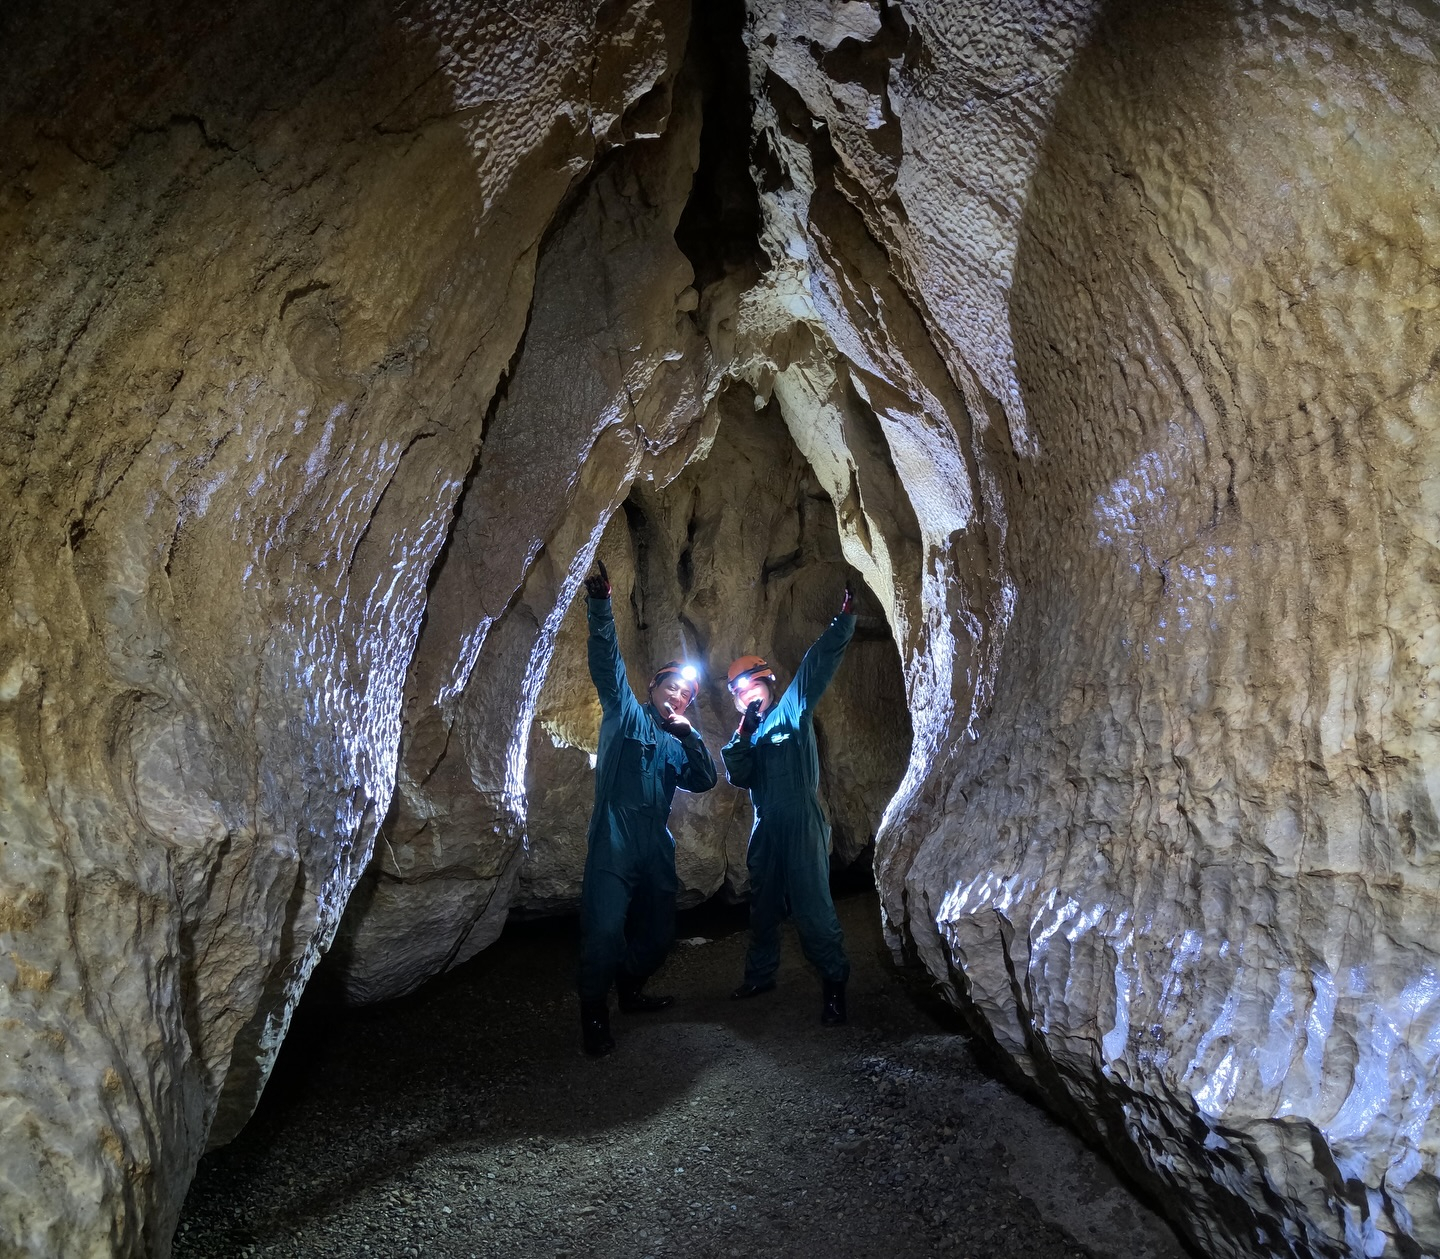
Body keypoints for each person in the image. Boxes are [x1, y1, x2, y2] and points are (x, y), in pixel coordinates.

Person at [577, 557, 718, 1057]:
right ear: (654, 689)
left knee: (659, 934)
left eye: (686, 693)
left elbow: (705, 781)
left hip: (655, 844)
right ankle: (594, 1011)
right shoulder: (625, 714)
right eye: (671, 687)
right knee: (604, 930)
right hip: (613, 839)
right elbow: (607, 662)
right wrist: (600, 604)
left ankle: (631, 989)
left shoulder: (681, 741)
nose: (678, 695)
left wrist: (693, 735)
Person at [722, 582, 857, 1025]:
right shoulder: (747, 734)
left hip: (801, 820)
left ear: (766, 682)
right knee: (762, 909)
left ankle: (835, 983)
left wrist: (842, 622)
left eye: (751, 685)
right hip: (766, 828)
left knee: (812, 907)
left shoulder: (791, 711)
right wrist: (742, 734)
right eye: (739, 692)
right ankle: (760, 976)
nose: (746, 694)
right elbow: (739, 775)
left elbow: (815, 667)